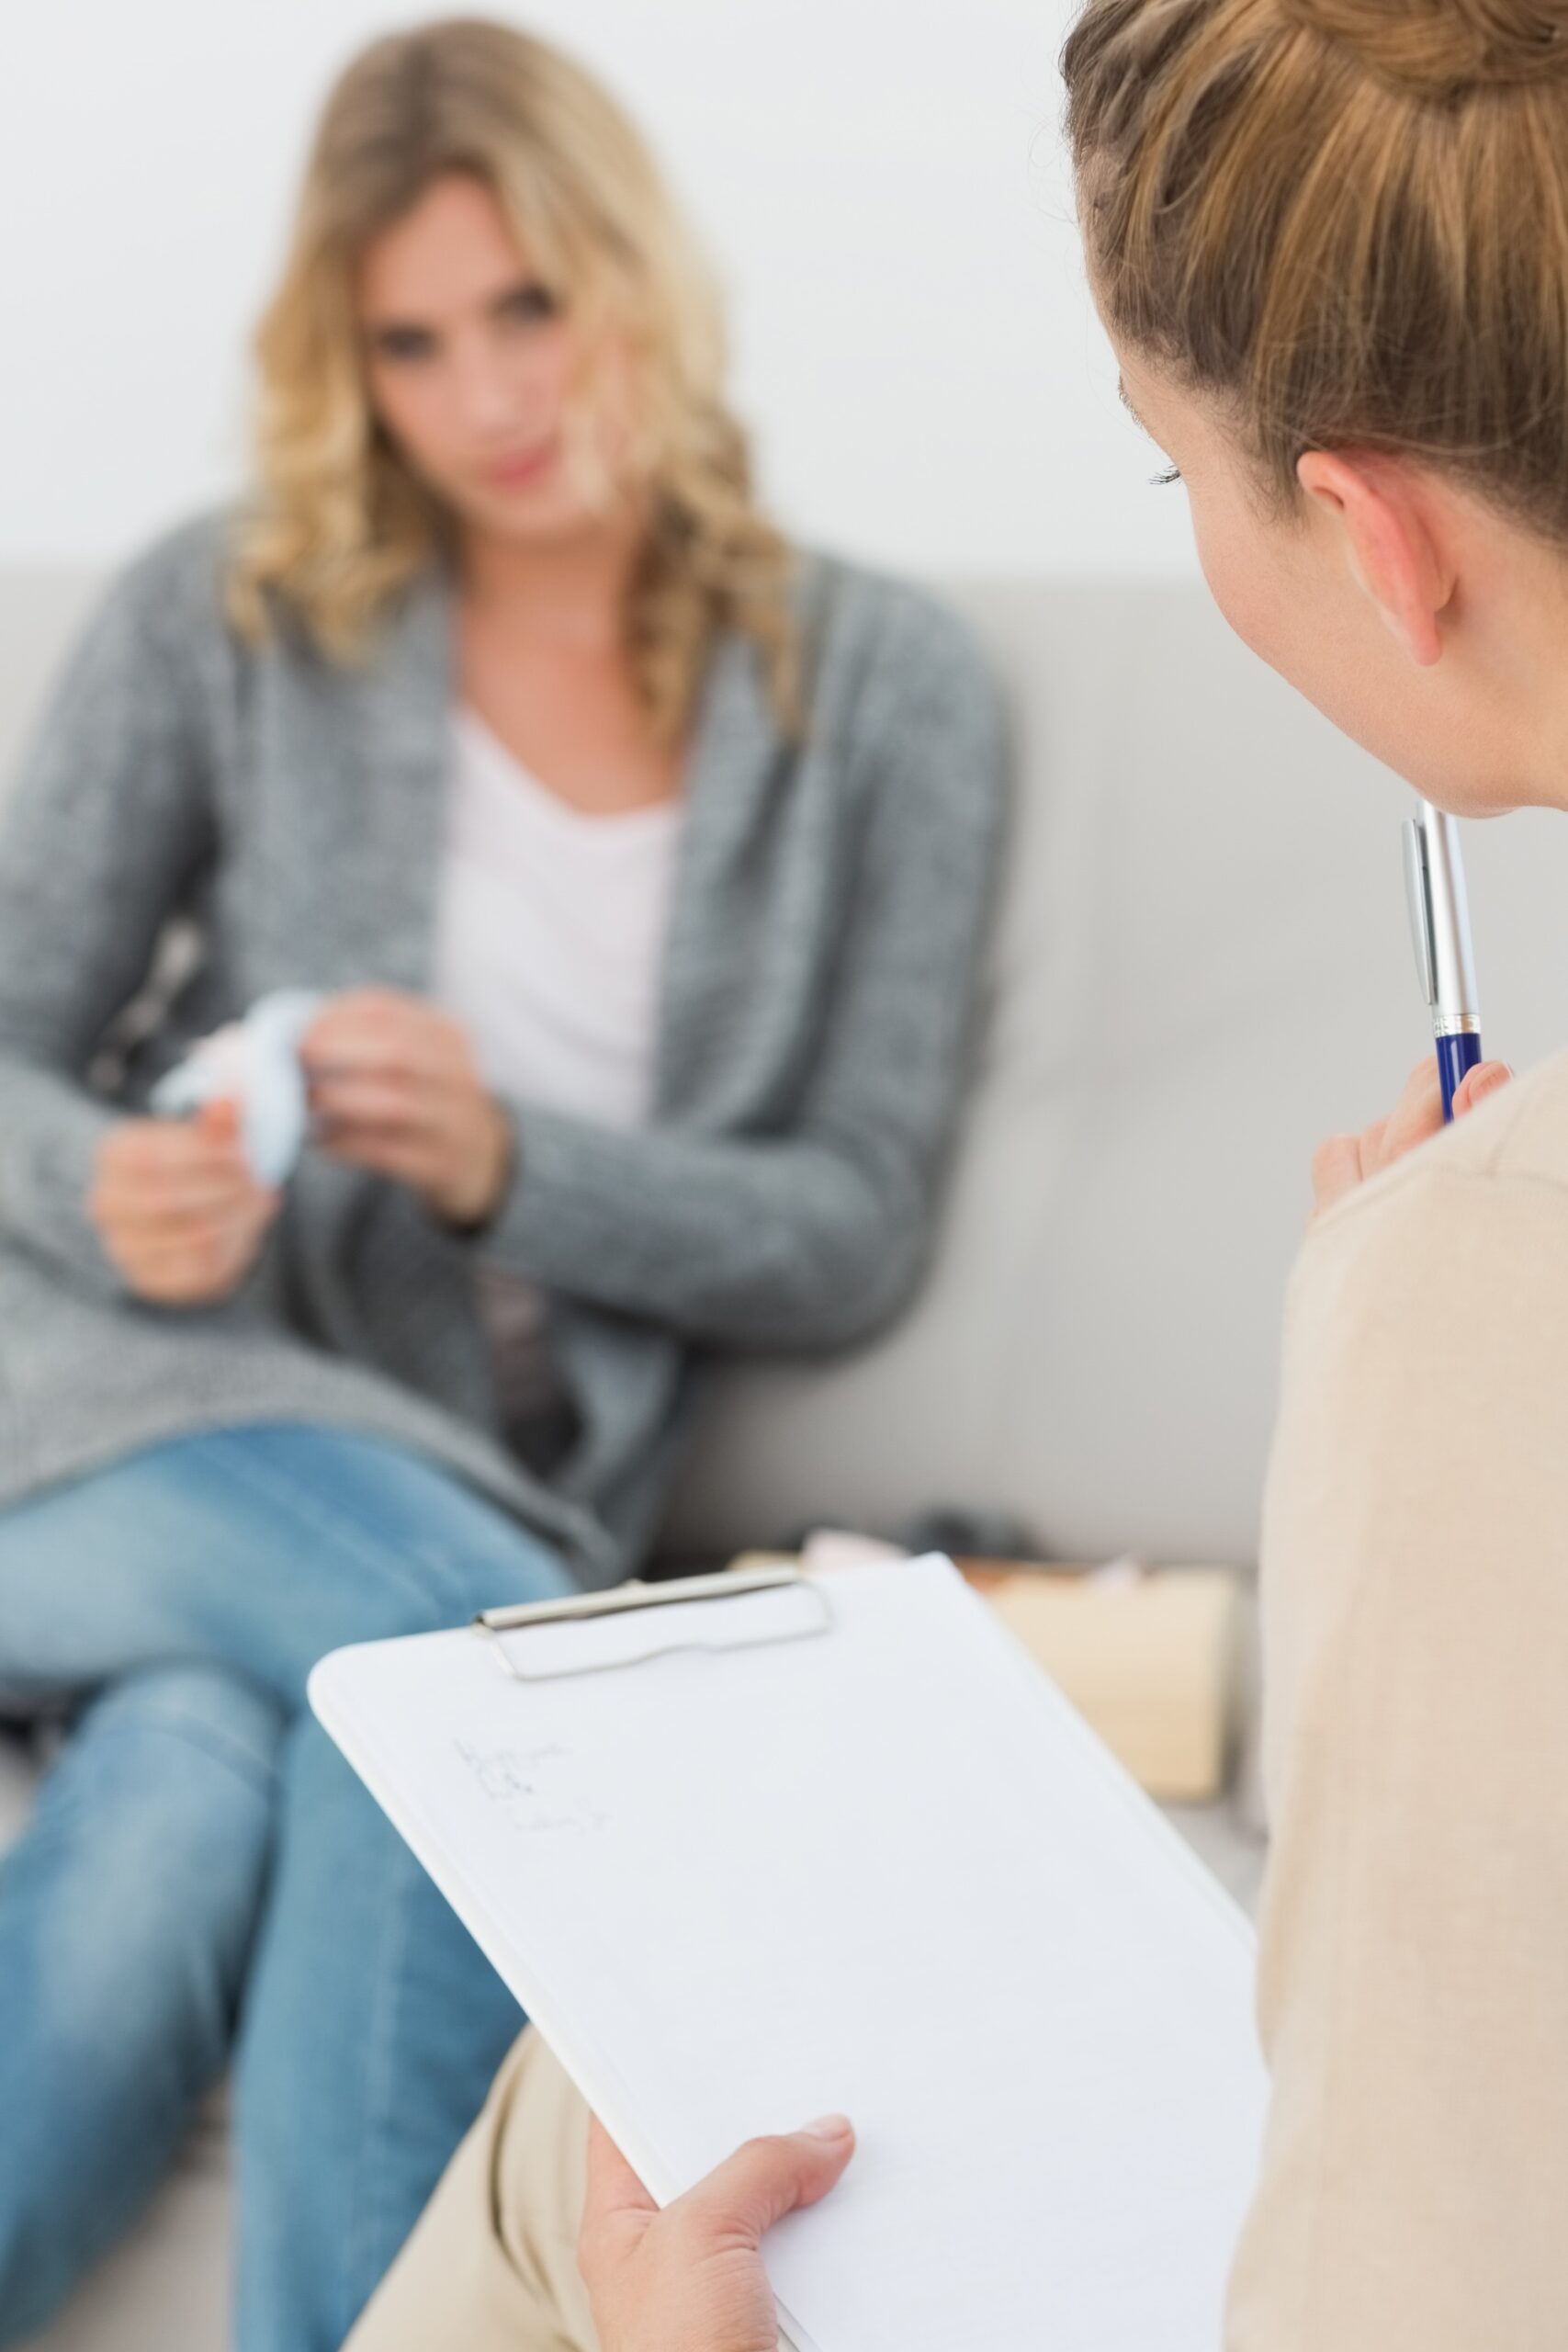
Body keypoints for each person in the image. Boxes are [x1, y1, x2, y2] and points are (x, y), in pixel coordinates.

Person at [340, 0, 1568, 2346]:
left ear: (1370, 535)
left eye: (1163, 470)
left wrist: (1406, 1360)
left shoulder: (1477, 1283)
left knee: (620, 2186)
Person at [0, 20, 1004, 2352]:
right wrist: (110, 1184)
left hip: (355, 1576)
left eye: (526, 305)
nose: (486, 393)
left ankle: (477, 1654)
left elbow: (848, 1216)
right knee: (475, 1668)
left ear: (632, 271)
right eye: (412, 341)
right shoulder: (228, 615)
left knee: (200, 1788)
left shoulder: (882, 689)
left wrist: (507, 1168)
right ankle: (540, 1644)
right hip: (98, 1403)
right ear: (347, 369)